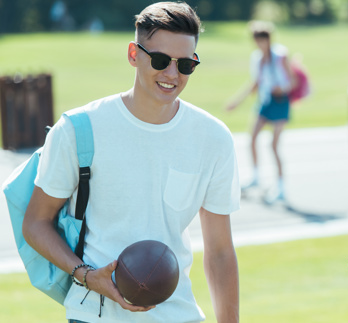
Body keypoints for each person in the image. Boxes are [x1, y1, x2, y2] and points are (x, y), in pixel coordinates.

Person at [22, 2, 240, 322]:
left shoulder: (213, 138)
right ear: (133, 55)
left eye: (185, 65)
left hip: (178, 315)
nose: (171, 74)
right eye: (161, 60)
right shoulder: (78, 129)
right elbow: (35, 224)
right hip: (92, 315)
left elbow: (220, 252)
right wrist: (85, 274)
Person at [226, 20, 296, 203]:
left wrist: (282, 88)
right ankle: (256, 177)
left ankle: (281, 186)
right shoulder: (257, 58)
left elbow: (293, 81)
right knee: (253, 137)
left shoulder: (280, 55)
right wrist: (236, 102)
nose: (259, 43)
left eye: (262, 39)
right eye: (256, 40)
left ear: (268, 39)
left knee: (273, 145)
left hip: (280, 101)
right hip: (265, 101)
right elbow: (255, 83)